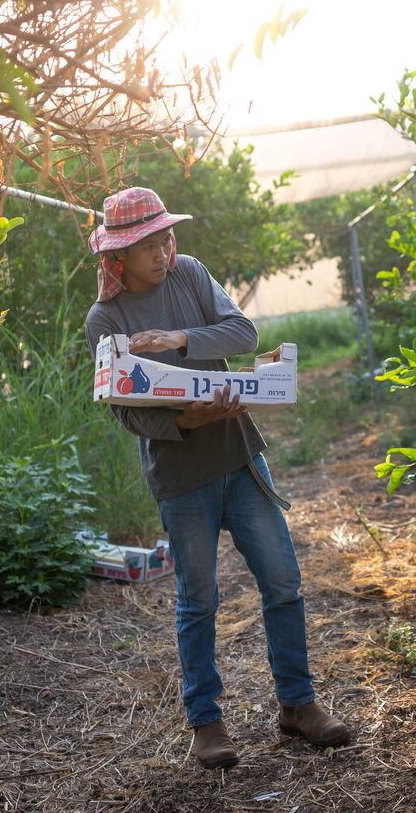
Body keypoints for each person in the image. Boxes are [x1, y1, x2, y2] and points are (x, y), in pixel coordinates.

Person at [83, 186, 350, 771]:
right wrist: (184, 418)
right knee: (198, 598)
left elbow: (244, 334)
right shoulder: (107, 318)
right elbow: (123, 407)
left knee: (283, 583)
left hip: (240, 457)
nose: (164, 252)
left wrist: (180, 339)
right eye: (149, 245)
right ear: (118, 257)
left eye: (167, 238)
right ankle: (206, 721)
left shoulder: (191, 275)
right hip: (182, 476)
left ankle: (298, 705)